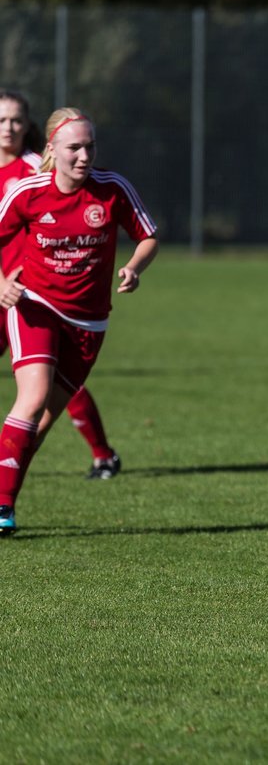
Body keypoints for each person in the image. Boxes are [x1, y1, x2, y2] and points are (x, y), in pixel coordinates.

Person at [0, 107, 158, 536]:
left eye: (90, 146)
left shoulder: (113, 188)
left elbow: (147, 236)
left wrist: (134, 268)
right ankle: (2, 508)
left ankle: (5, 489)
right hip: (35, 305)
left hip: (88, 321)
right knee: (30, 401)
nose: (84, 155)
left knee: (44, 421)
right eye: (74, 148)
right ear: (52, 149)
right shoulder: (29, 192)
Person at [0, 90, 124, 481]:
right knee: (37, 389)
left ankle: (102, 453)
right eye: (1, 120)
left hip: (32, 294)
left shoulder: (41, 167)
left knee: (49, 384)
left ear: (29, 125)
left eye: (16, 120)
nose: (9, 128)